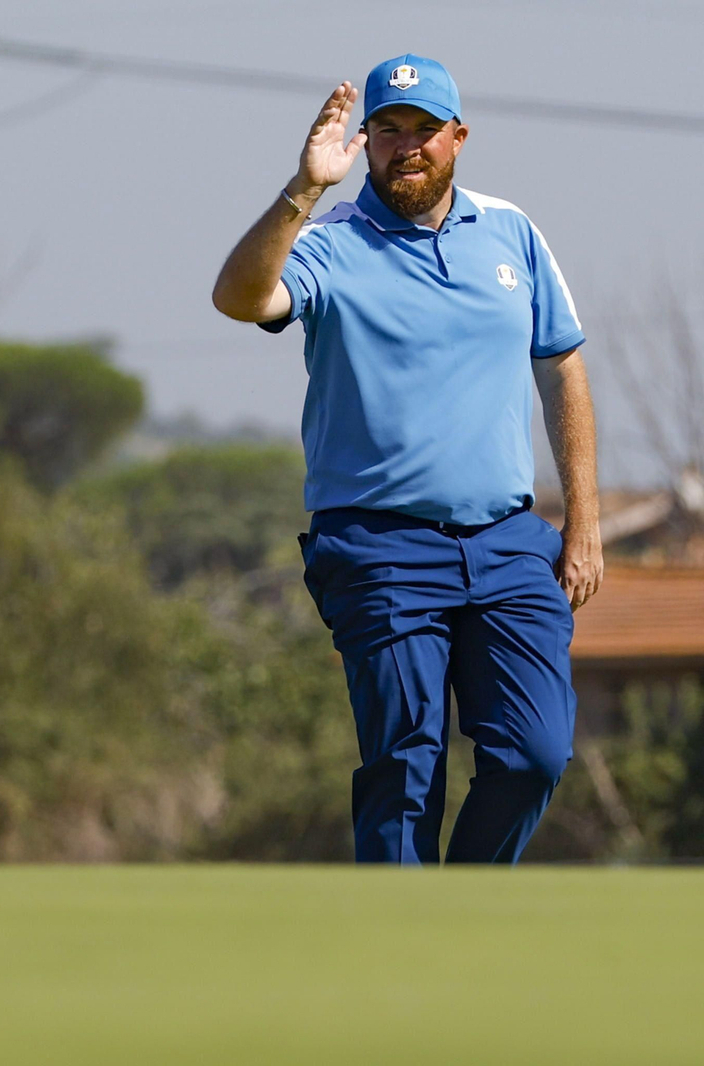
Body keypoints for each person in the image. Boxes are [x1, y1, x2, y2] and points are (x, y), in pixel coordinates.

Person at [211, 55, 602, 864]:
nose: (407, 146)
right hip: (379, 546)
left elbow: (561, 366)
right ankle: (401, 949)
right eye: (389, 130)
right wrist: (304, 187)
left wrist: (585, 526)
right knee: (405, 768)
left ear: (458, 137)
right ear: (367, 141)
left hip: (506, 542)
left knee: (534, 755)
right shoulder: (329, 242)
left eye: (425, 131)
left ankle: (457, 911)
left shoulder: (511, 233)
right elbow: (242, 298)